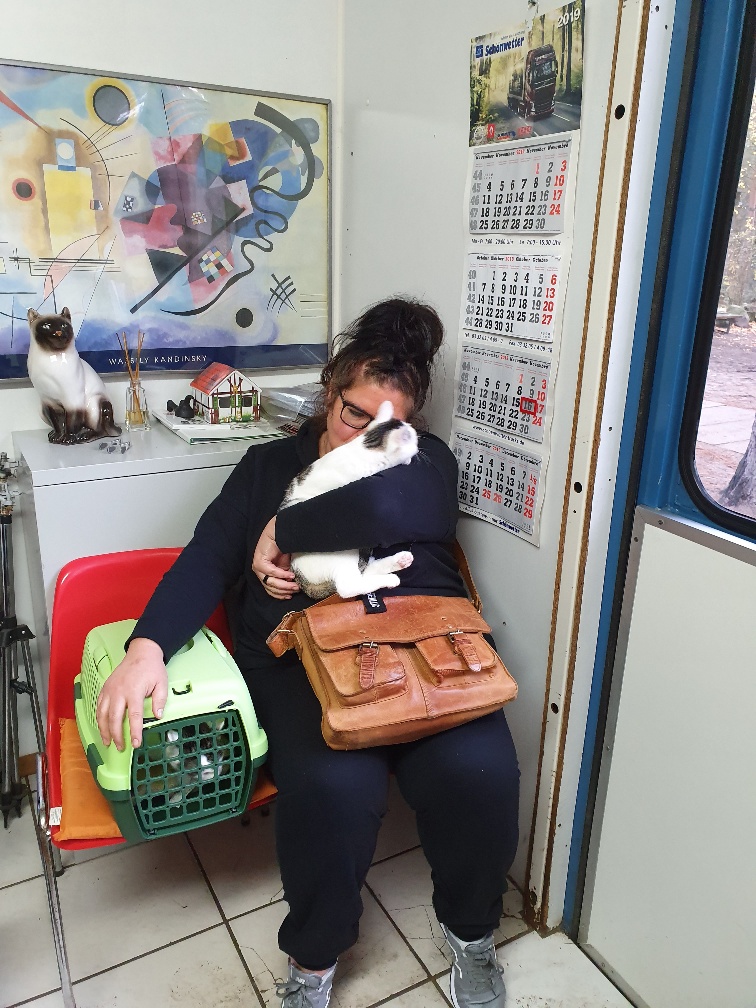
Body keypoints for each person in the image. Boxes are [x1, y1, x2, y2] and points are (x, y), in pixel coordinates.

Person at [96, 297, 520, 1008]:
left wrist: (283, 529)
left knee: (480, 773)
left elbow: (389, 506)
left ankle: (472, 933)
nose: (367, 437)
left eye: (391, 423)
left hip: (424, 650)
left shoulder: (423, 459)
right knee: (334, 790)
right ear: (329, 393)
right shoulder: (267, 466)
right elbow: (206, 557)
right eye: (355, 414)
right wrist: (146, 648)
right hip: (301, 656)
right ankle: (315, 959)